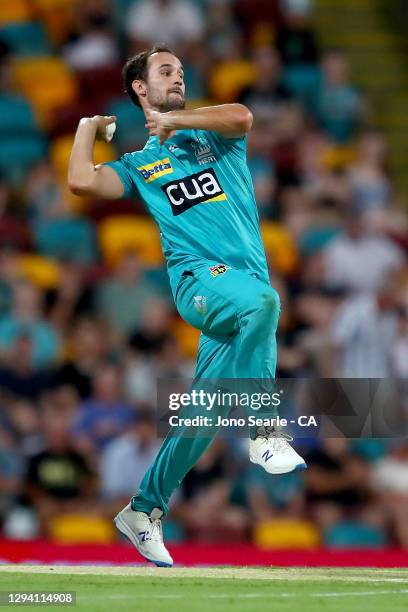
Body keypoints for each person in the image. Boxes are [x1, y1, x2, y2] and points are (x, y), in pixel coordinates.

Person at [68, 44, 306, 567]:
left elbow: (242, 115)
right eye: (166, 71)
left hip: (239, 286)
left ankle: (143, 508)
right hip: (199, 283)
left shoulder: (212, 136)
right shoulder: (140, 164)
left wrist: (178, 121)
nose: (178, 77)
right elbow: (82, 181)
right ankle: (265, 429)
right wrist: (88, 127)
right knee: (264, 303)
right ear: (139, 88)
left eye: (180, 71)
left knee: (203, 412)